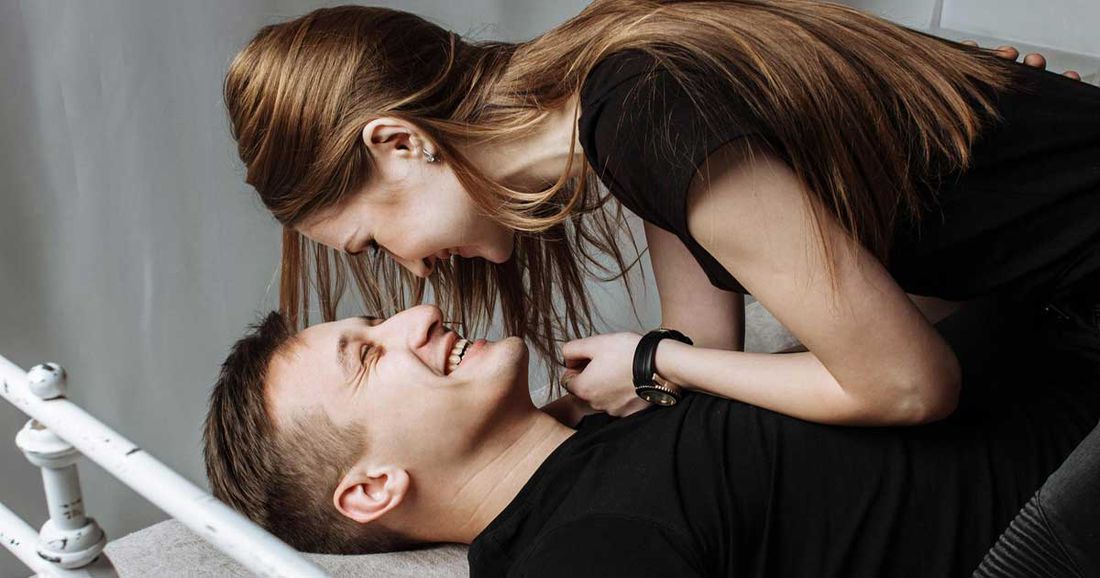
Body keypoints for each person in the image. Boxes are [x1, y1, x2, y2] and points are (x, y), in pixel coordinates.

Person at [223, 2, 1099, 428]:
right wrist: (571, 410)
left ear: (399, 142)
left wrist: (653, 361)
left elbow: (907, 385)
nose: (414, 273)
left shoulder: (647, 112)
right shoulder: (615, 90)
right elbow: (704, 349)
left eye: (374, 242)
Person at [202, 305, 1100, 577]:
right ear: (372, 488)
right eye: (369, 354)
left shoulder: (618, 422)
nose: (420, 314)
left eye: (375, 318)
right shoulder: (577, 555)